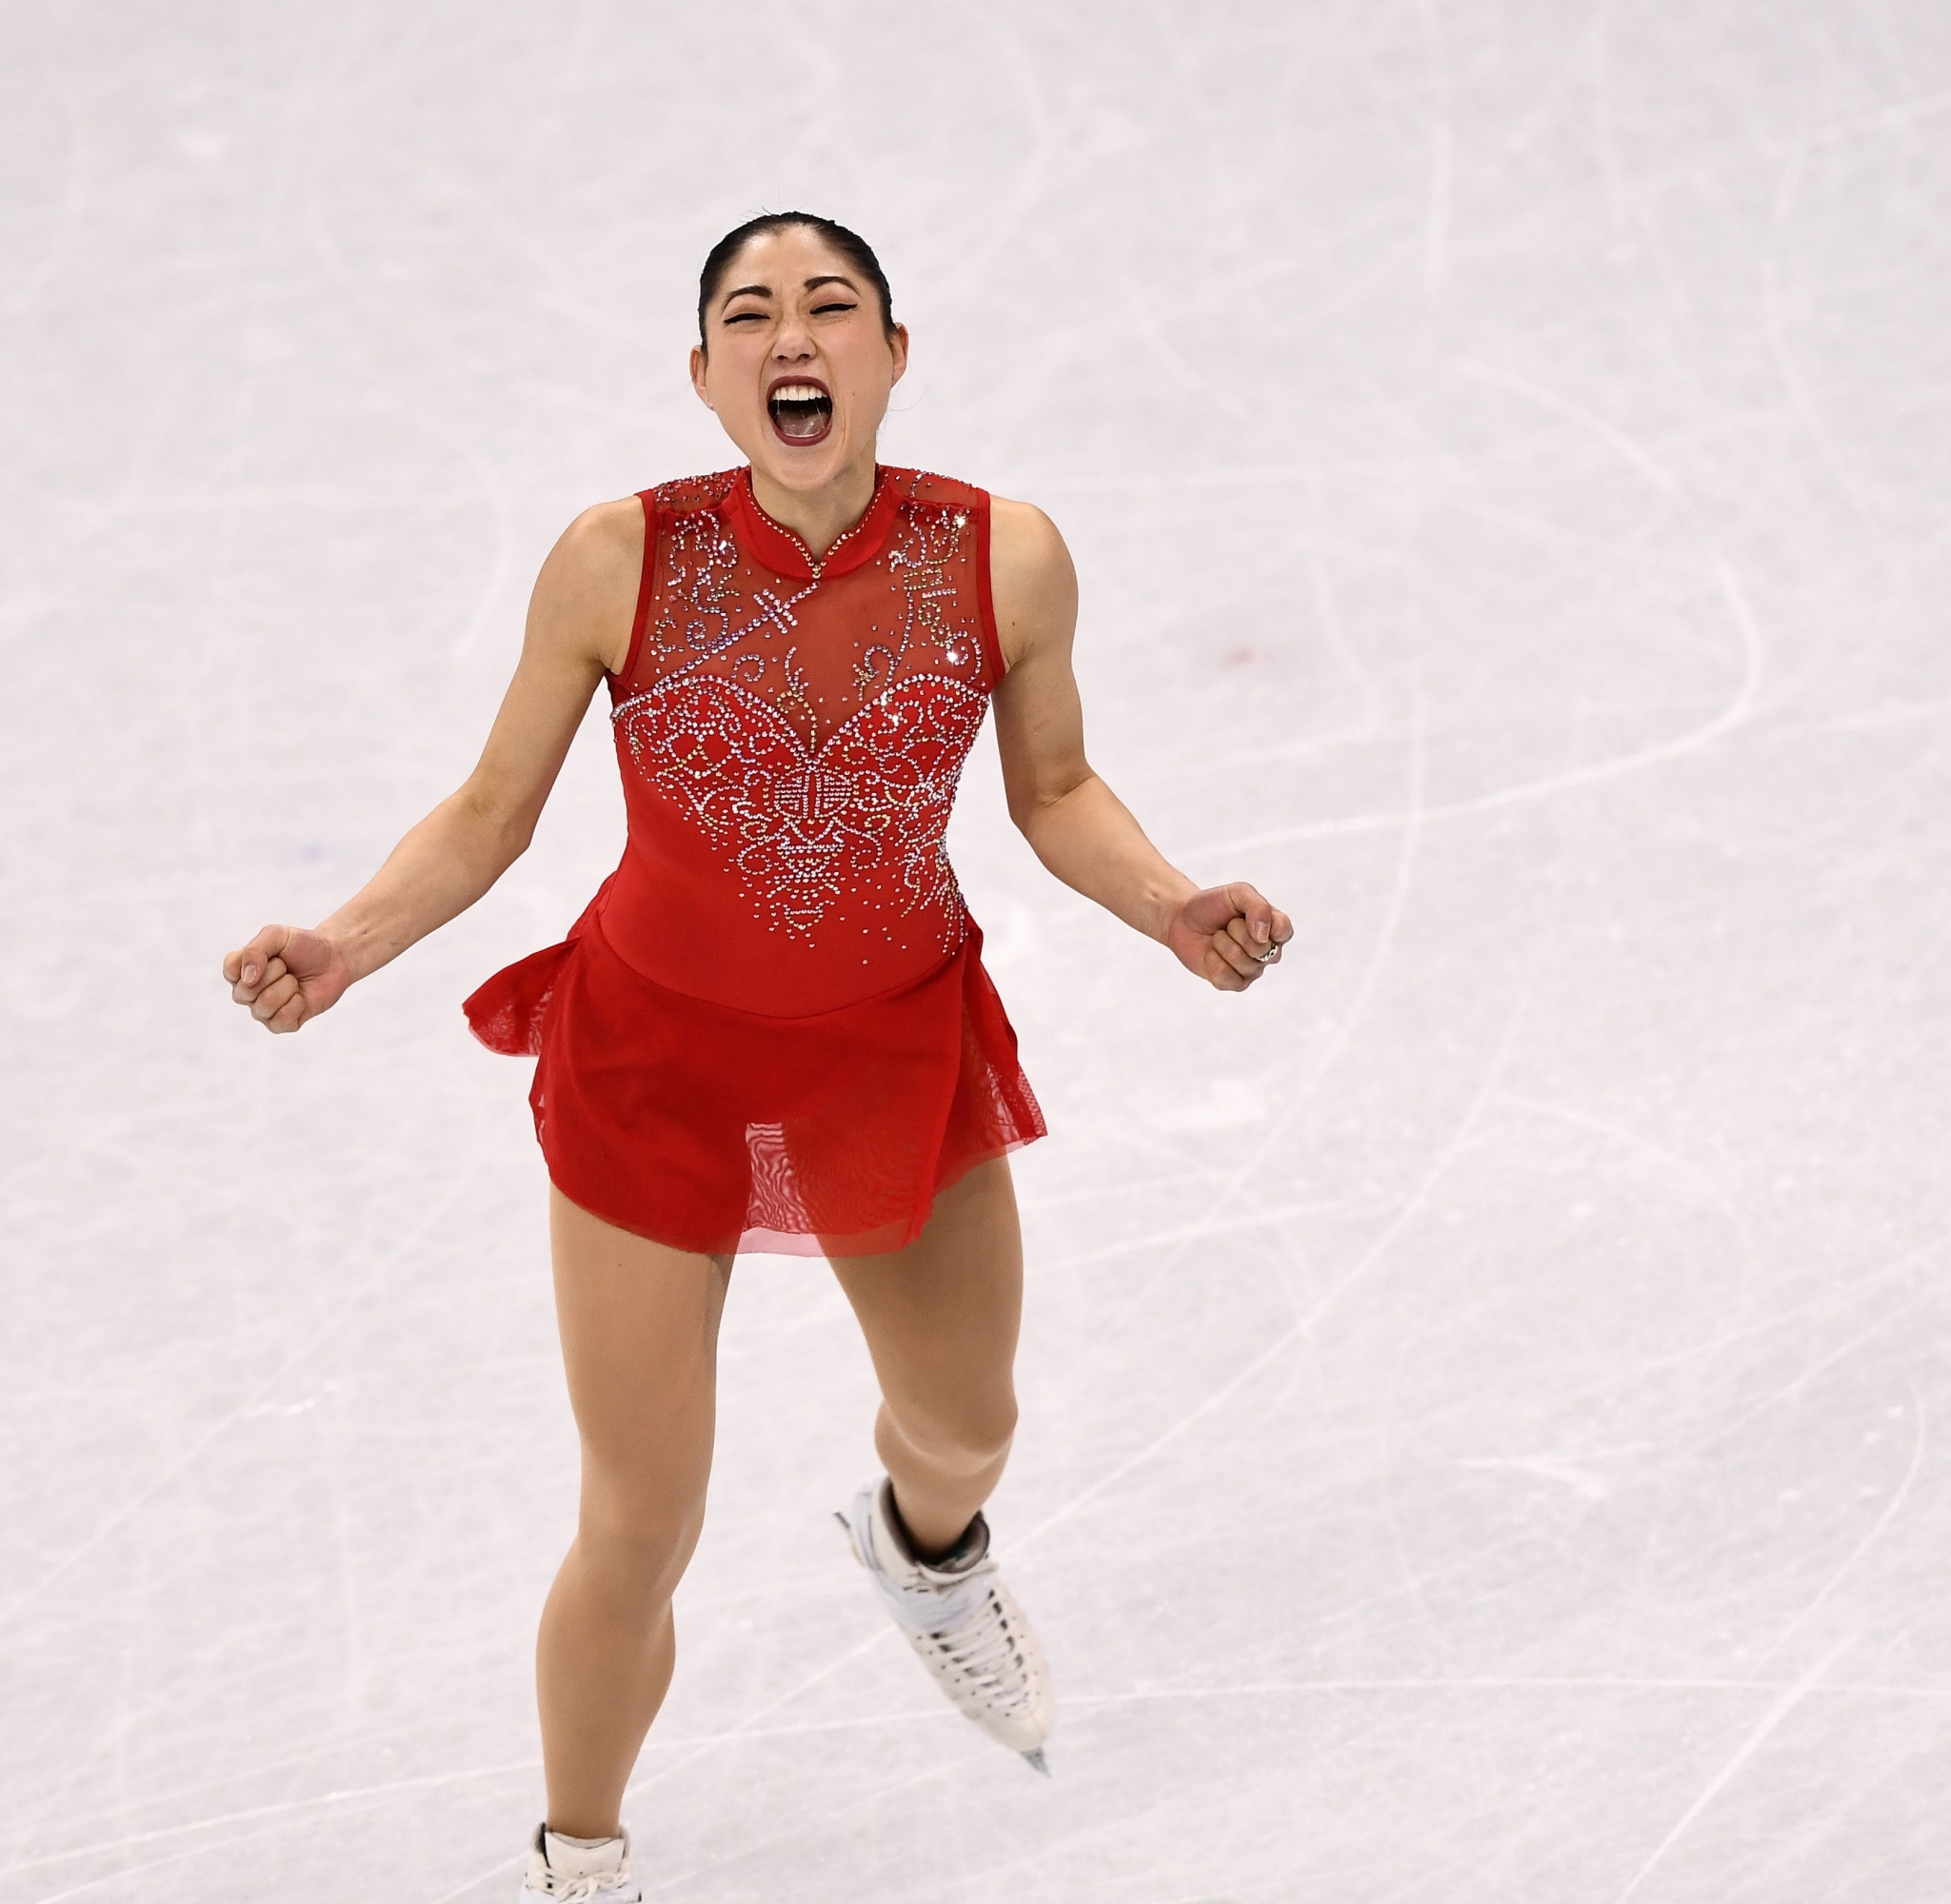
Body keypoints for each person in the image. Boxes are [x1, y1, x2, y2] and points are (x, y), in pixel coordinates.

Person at [222, 211, 1289, 1902]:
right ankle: (581, 1856)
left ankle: (926, 1558)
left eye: (830, 308)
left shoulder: (1004, 555)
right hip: (656, 1066)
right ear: (707, 375)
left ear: (892, 353)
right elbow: (495, 812)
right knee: (639, 1519)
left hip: (892, 1048)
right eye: (751, 316)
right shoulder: (613, 557)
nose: (792, 338)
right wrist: (342, 944)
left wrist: (1168, 905)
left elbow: (1057, 790)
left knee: (967, 1422)